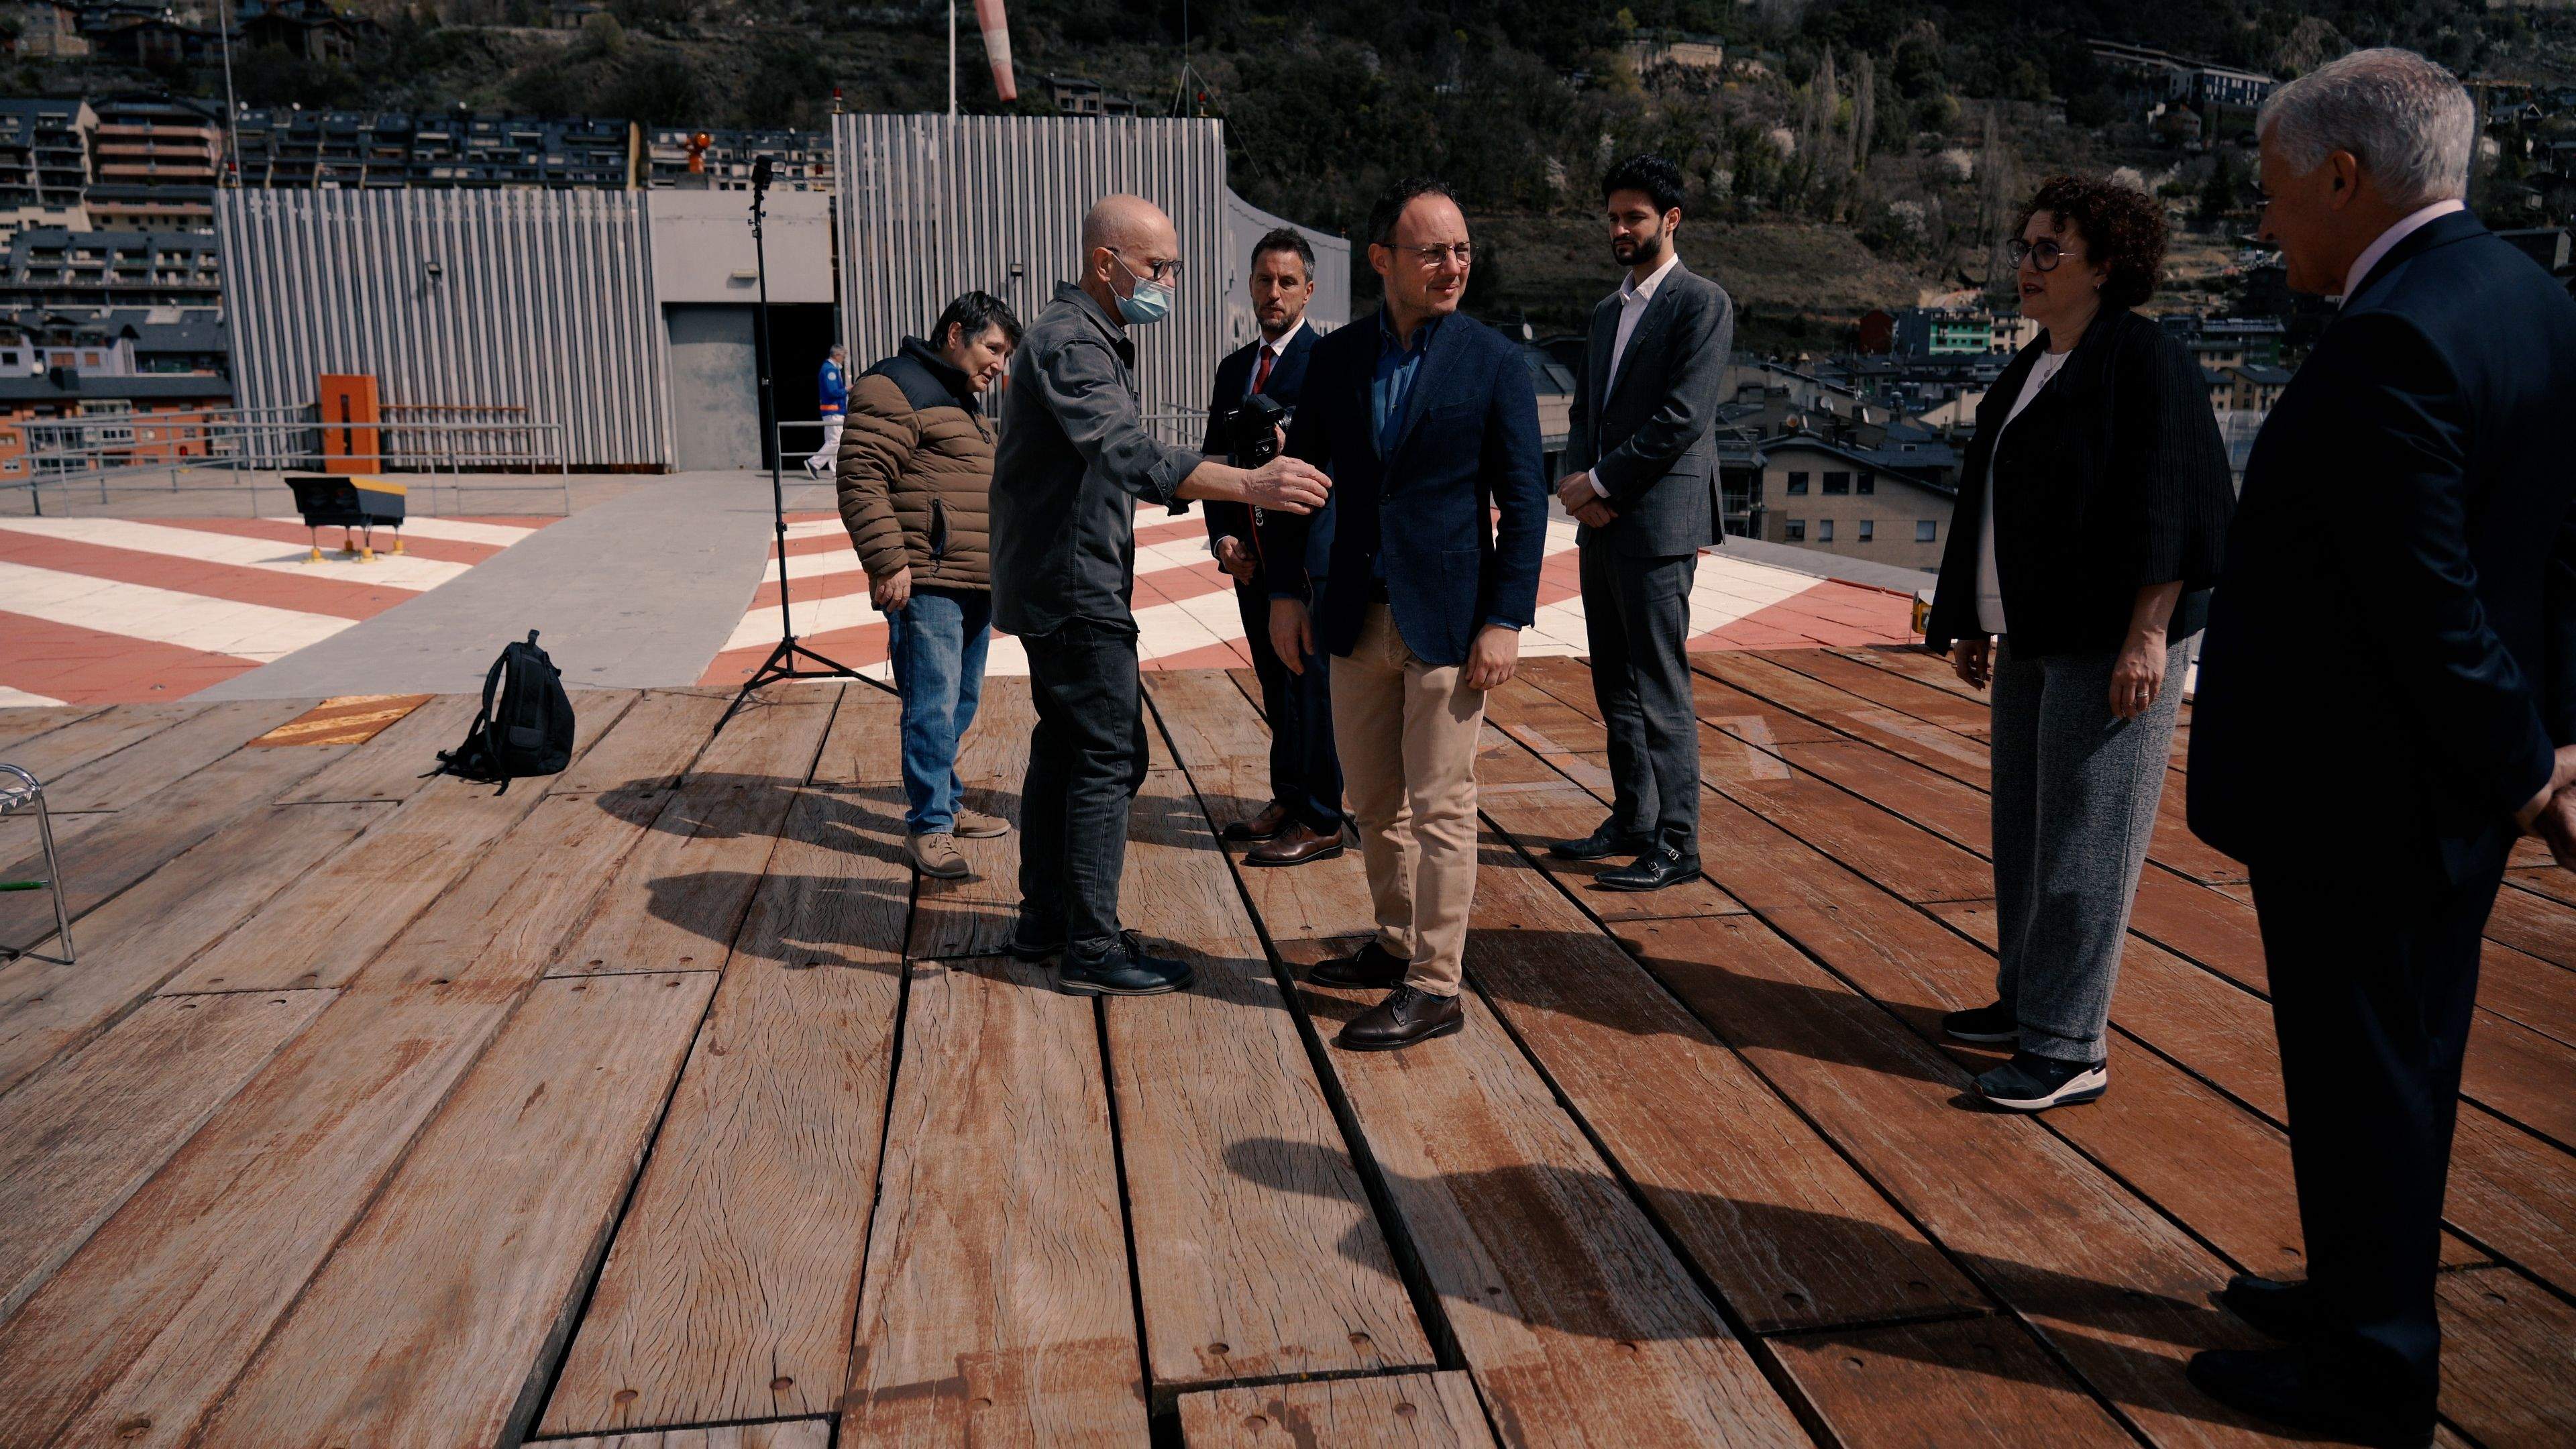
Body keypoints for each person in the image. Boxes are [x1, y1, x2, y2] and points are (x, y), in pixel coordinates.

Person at [2184, 49, 2576, 1446]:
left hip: (2369, 791)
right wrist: (2553, 738)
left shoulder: (2391, 336)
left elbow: (2432, 608)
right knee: (2398, 1059)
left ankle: (2374, 1367)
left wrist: (2533, 768)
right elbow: (2548, 558)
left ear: (2346, 178)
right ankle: (2362, 1286)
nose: (2271, 224)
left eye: (2281, 194)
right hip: (2445, 788)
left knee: (2367, 1066)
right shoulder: (2533, 299)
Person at [1921, 174, 2234, 1115]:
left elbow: (2177, 500)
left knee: (2088, 837)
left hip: (2112, 638)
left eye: (2047, 249)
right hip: (2035, 630)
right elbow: (1996, 503)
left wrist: (2147, 638)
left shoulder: (2146, 360)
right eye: (2022, 247)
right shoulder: (2037, 363)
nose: (2026, 264)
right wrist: (1975, 616)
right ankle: (2028, 1001)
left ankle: (2068, 1046)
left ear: (2105, 264)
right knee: (2025, 826)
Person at [990, 193, 1332, 997]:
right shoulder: (1074, 343)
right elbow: (1125, 451)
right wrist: (1252, 481)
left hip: (1059, 579)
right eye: (1157, 268)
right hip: (1075, 587)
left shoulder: (1082, 336)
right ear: (1106, 264)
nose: (1168, 283)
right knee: (1111, 755)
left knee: (1065, 746)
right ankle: (1093, 948)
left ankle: (1050, 920)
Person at [1264, 178, 1546, 1051]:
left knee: (1442, 806)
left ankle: (1436, 982)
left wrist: (1505, 617)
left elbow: (1525, 503)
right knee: (1375, 801)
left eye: (1461, 250)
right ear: (1384, 258)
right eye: (1433, 250)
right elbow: (1295, 484)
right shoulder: (1339, 358)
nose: (1453, 265)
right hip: (1352, 614)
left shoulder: (1495, 361)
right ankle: (1395, 945)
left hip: (1450, 624)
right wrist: (1282, 590)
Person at [1547, 153, 1732, 892]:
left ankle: (1679, 844)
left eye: (1636, 218)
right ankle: (1633, 819)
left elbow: (1683, 417)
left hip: (1660, 525)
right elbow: (1588, 409)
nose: (1621, 229)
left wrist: (1599, 481)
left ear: (1671, 220)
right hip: (1604, 520)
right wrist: (1581, 486)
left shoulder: (1701, 303)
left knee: (1661, 685)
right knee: (1614, 683)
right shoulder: (1605, 311)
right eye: (1613, 217)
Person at [835, 292, 1021, 879]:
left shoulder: (961, 400)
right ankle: (929, 828)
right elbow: (860, 477)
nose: (1000, 363)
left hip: (971, 578)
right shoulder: (894, 386)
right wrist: (888, 561)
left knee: (957, 705)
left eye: (1006, 354)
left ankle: (946, 802)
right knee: (931, 707)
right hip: (928, 579)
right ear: (954, 334)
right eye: (993, 348)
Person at [1201, 227, 1344, 867]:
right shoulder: (1234, 370)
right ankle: (1287, 798)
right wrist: (1223, 538)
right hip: (1251, 563)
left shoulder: (1331, 362)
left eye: (1288, 281)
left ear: (1309, 289)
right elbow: (1212, 465)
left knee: (1312, 687)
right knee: (1274, 684)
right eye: (1264, 280)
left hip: (1308, 563)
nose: (1275, 292)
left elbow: (1347, 463)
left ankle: (1323, 815)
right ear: (1250, 287)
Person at [804, 343, 848, 478]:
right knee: (836, 441)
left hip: (832, 411)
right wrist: (847, 390)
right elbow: (832, 391)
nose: (844, 359)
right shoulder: (830, 370)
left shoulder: (830, 369)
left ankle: (836, 472)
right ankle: (813, 463)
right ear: (837, 355)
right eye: (843, 356)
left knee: (833, 441)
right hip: (833, 411)